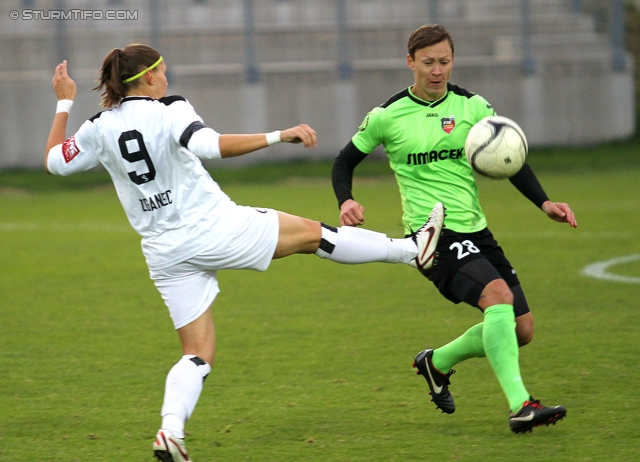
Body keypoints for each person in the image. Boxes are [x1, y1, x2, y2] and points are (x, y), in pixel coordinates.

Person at [45, 44, 443, 462]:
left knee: (197, 351)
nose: (167, 78)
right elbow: (210, 145)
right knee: (313, 235)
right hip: (213, 227)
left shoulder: (98, 126)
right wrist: (279, 135)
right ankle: (412, 250)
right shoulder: (170, 109)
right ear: (146, 77)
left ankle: (170, 431)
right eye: (162, 71)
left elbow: (55, 161)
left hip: (164, 251)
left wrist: (64, 100)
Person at [331, 24, 577, 433]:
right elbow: (343, 162)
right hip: (431, 237)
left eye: (444, 61)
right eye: (428, 62)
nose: (437, 70)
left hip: (477, 231)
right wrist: (347, 200)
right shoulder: (387, 116)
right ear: (410, 62)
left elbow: (510, 156)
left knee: (522, 329)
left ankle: (437, 361)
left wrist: (545, 202)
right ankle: (521, 406)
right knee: (497, 298)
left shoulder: (472, 107)